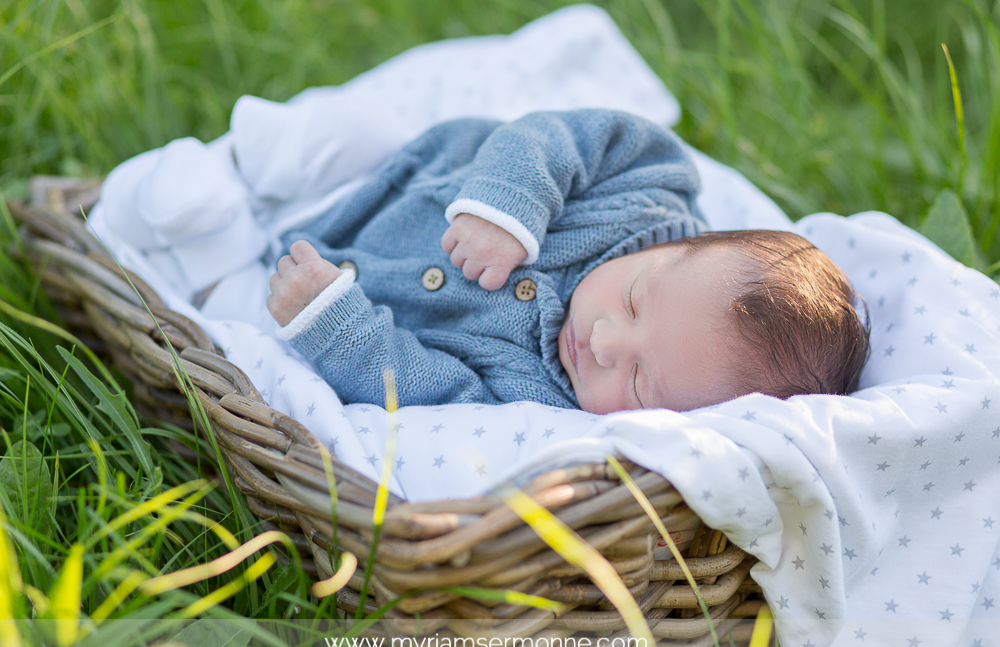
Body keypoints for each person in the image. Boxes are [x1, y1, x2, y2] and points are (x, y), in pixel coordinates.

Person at [266, 109, 870, 413]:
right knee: (326, 138)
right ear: (679, 244)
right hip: (419, 163)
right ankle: (265, 153)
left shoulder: (543, 405)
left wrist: (338, 327)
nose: (604, 341)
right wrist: (509, 205)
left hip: (328, 274)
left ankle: (218, 235)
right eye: (635, 301)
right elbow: (563, 134)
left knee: (250, 284)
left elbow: (437, 395)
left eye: (637, 382)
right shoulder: (646, 189)